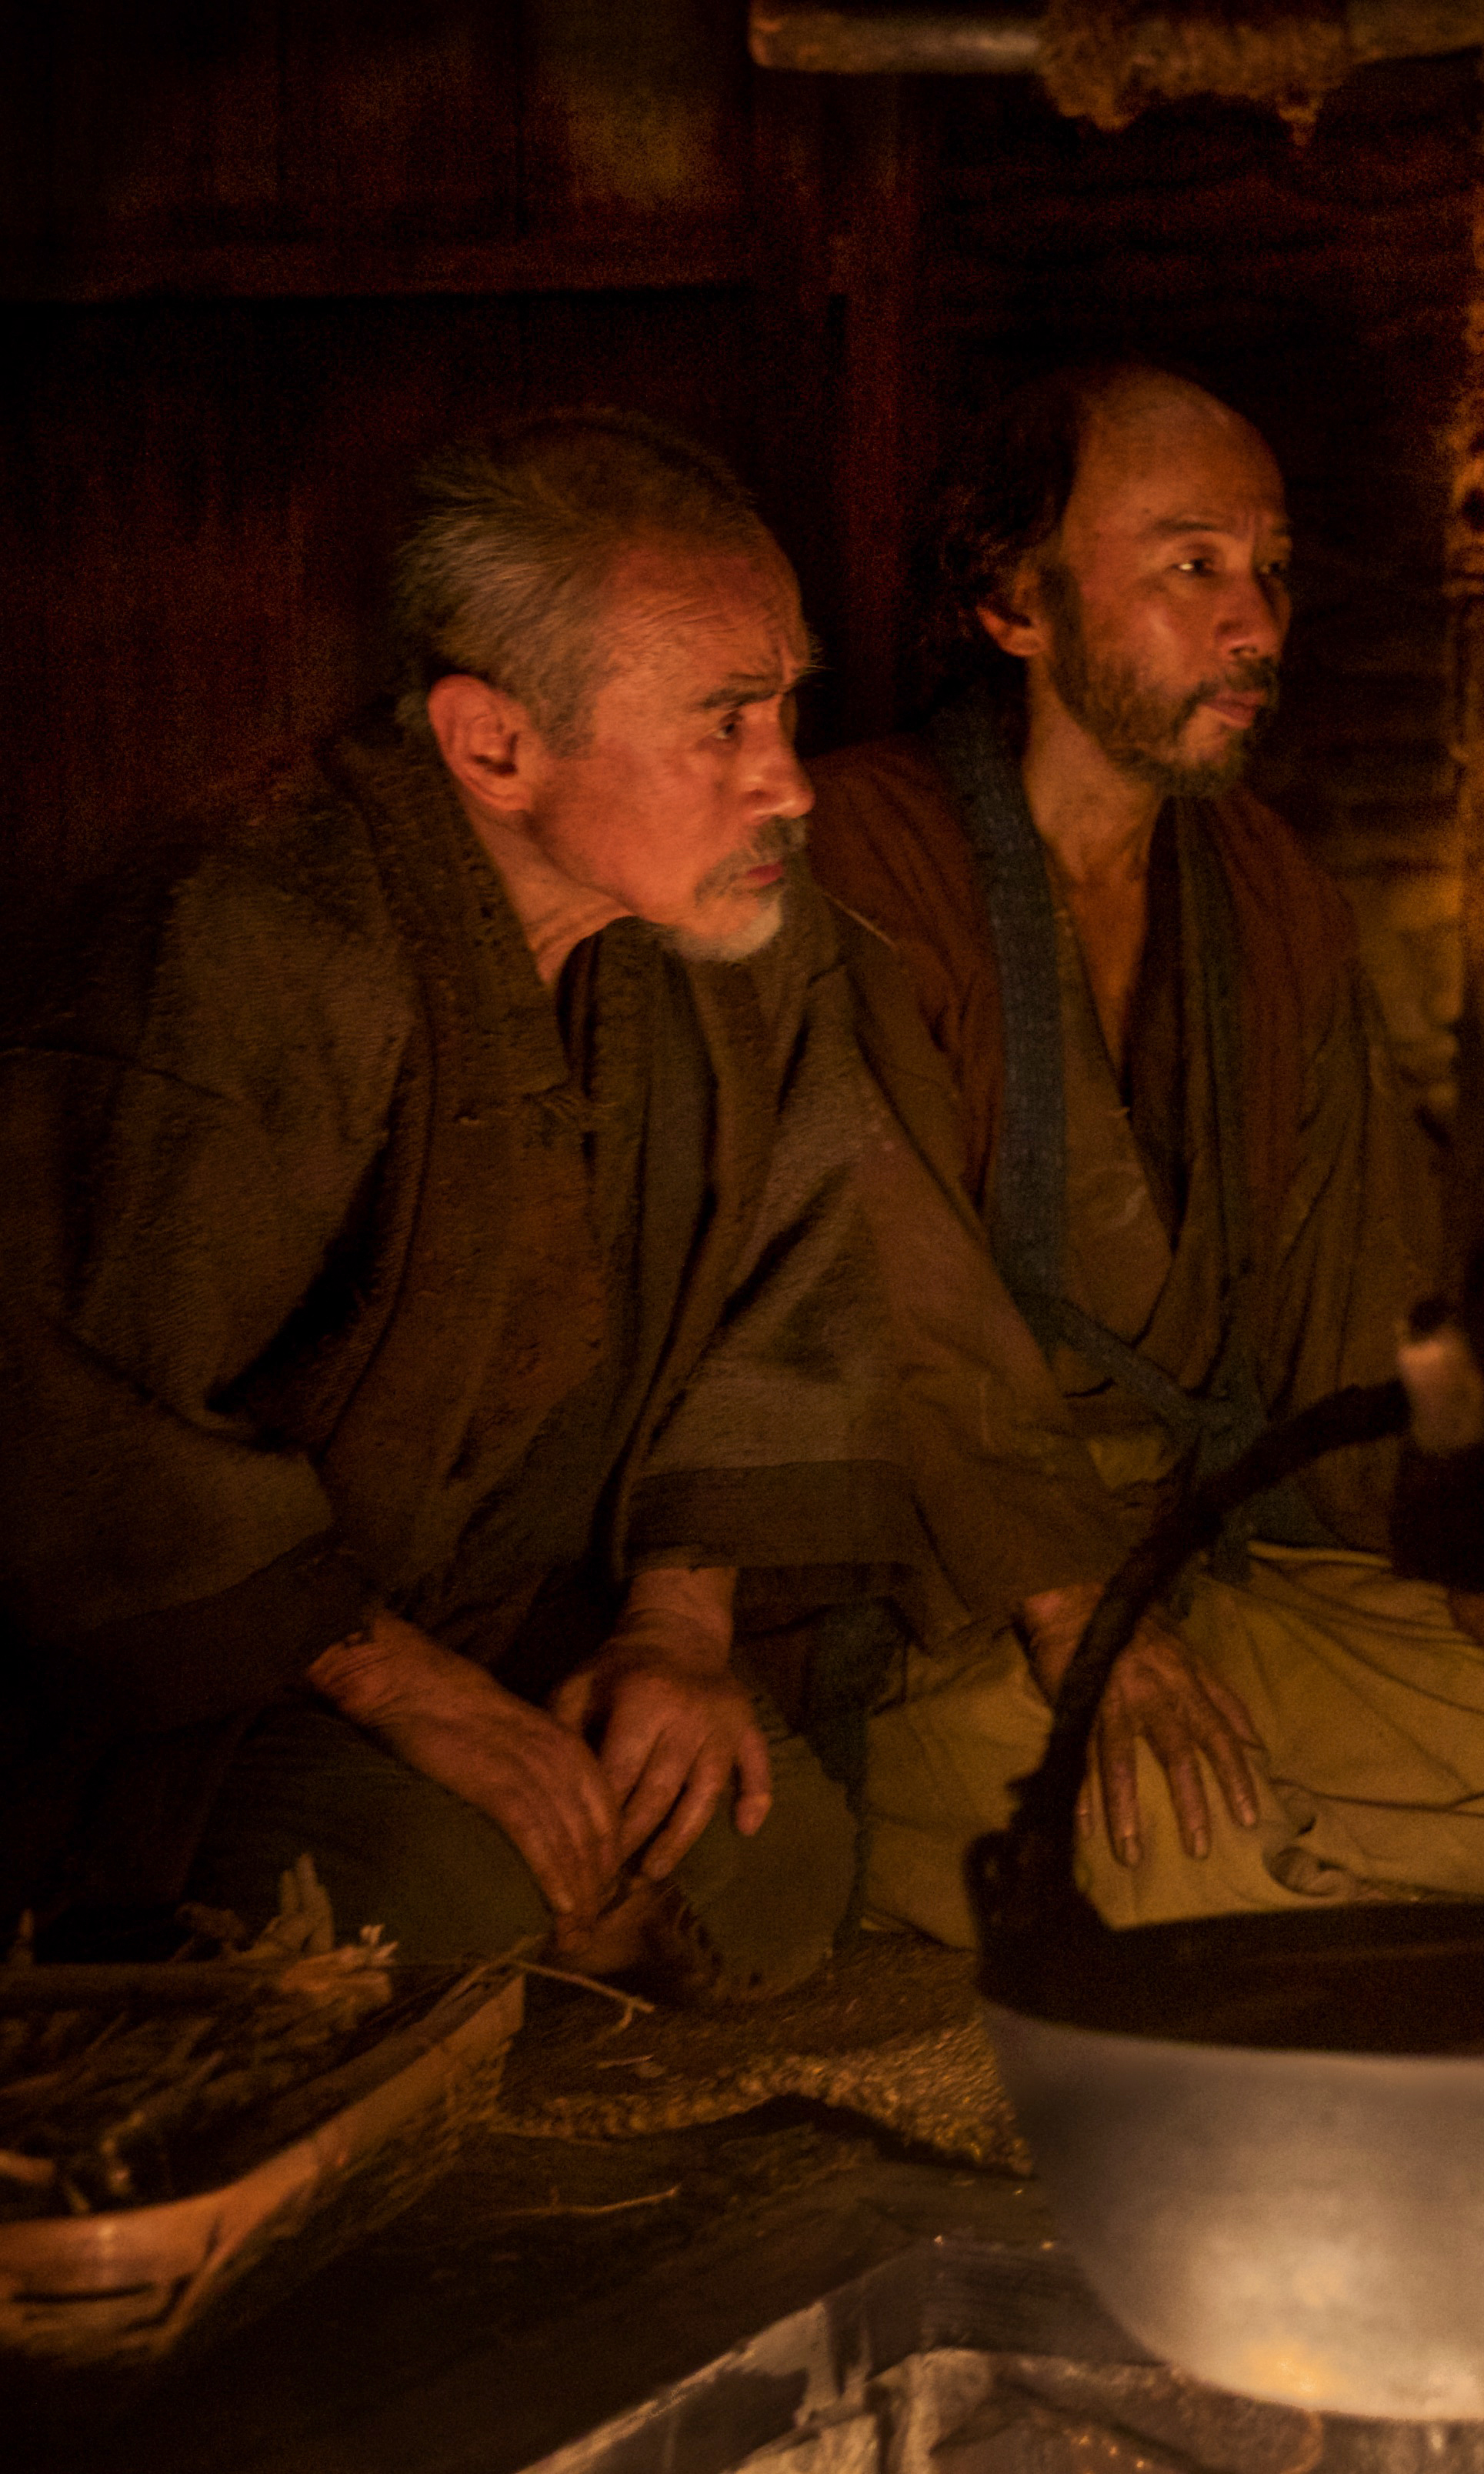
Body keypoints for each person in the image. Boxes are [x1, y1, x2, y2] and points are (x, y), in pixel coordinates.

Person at [0, 412, 908, 2000]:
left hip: (514, 1619)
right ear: (493, 743)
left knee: (779, 1857)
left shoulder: (733, 940)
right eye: (722, 721)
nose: (787, 783)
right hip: (223, 1671)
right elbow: (61, 1413)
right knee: (446, 1895)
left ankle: (525, 1903)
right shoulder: (257, 934)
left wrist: (681, 1628)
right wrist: (401, 1687)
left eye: (787, 707)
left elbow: (800, 1279)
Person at [805, 361, 1484, 1942]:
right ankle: (935, 1799)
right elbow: (894, 1292)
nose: (1259, 626)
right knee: (1204, 1862)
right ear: (1018, 605)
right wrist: (1073, 1614)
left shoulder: (1265, 887)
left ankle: (1235, 1802)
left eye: (1271, 571)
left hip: (1188, 1564)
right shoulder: (864, 853)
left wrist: (1465, 1566)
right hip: (953, 1591)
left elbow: (1369, 1264)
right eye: (1192, 566)